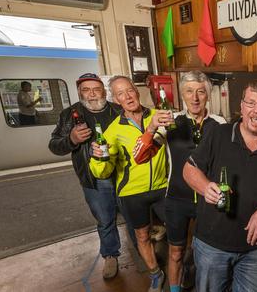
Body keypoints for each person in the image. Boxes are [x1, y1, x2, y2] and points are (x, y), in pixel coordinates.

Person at [183, 79, 257, 292]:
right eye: (251, 103)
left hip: (254, 250)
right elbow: (189, 169)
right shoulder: (219, 134)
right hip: (211, 246)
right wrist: (205, 187)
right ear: (242, 107)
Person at [90, 75, 171, 292]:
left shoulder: (158, 116)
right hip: (132, 192)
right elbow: (102, 172)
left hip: (162, 186)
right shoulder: (113, 130)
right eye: (120, 94)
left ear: (136, 91)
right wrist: (99, 157)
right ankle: (156, 274)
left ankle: (179, 267)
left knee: (176, 229)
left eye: (129, 90)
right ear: (115, 100)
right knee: (142, 236)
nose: (127, 96)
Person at [48, 73, 122, 279]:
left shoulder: (118, 110)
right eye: (86, 90)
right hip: (94, 178)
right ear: (80, 92)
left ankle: (142, 250)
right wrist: (71, 139)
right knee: (105, 219)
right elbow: (54, 145)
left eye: (96, 89)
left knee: (134, 217)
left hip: (124, 174)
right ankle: (110, 255)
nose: (91, 94)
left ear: (104, 92)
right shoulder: (69, 115)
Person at [165, 71, 226, 292]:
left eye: (201, 92)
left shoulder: (219, 123)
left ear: (208, 95)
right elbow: (143, 153)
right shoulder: (171, 122)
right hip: (177, 198)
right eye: (189, 91)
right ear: (182, 94)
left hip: (205, 198)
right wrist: (152, 126)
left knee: (207, 252)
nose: (195, 98)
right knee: (176, 251)